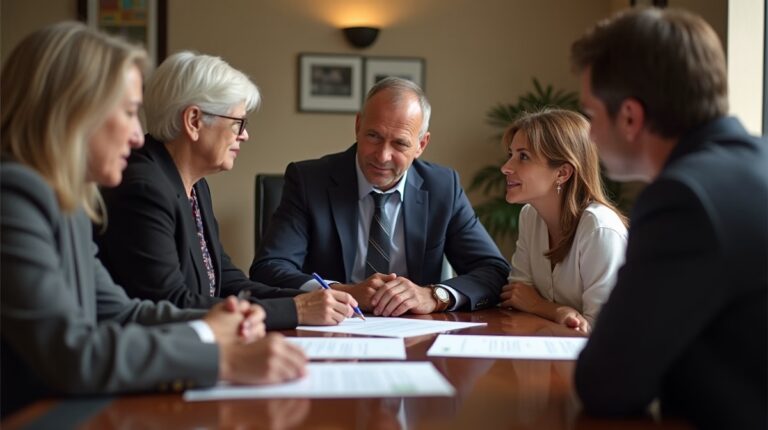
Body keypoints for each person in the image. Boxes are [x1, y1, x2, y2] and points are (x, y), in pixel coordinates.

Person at [0, 22, 306, 416]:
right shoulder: (13, 195)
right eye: (128, 113)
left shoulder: (69, 199)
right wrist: (221, 359)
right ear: (74, 112)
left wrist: (215, 323)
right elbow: (71, 353)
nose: (135, 134)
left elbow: (121, 311)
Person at [570, 8, 767, 429]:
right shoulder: (755, 165)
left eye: (590, 115)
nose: (588, 134)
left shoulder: (684, 200)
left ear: (630, 117)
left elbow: (606, 383)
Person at [95, 51, 357, 330]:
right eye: (237, 123)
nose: (244, 135)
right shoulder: (143, 189)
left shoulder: (195, 185)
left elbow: (229, 283)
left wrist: (313, 298)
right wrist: (295, 310)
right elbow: (170, 303)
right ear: (194, 121)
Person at [249, 77, 510, 316]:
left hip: (415, 333)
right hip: (331, 329)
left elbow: (493, 270)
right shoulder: (309, 180)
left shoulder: (443, 187)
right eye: (374, 136)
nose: (382, 156)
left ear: (421, 145)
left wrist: (434, 295)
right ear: (358, 125)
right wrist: (345, 292)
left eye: (399, 143)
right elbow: (269, 268)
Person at [499, 109, 627, 334]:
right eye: (511, 154)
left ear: (562, 173)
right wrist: (556, 312)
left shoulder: (599, 229)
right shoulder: (530, 216)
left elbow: (605, 331)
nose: (506, 167)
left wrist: (539, 306)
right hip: (548, 354)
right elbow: (516, 296)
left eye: (523, 156)